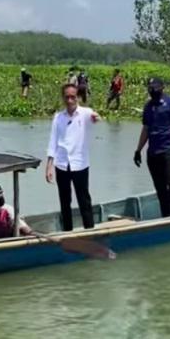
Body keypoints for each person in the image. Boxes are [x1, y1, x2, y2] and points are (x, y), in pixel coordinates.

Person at [45, 83, 101, 231]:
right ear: (63, 98)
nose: (70, 100)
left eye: (73, 97)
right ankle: (67, 232)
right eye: (67, 97)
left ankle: (89, 230)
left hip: (80, 163)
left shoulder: (85, 113)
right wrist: (49, 166)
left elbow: (95, 117)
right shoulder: (58, 117)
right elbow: (53, 141)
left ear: (78, 98)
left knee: (84, 200)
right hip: (62, 164)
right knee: (65, 201)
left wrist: (96, 117)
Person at [133, 78, 170, 217]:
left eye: (155, 88)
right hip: (153, 154)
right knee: (160, 189)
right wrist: (138, 150)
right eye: (151, 88)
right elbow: (146, 129)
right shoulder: (148, 107)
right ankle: (166, 218)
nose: (153, 91)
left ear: (162, 88)